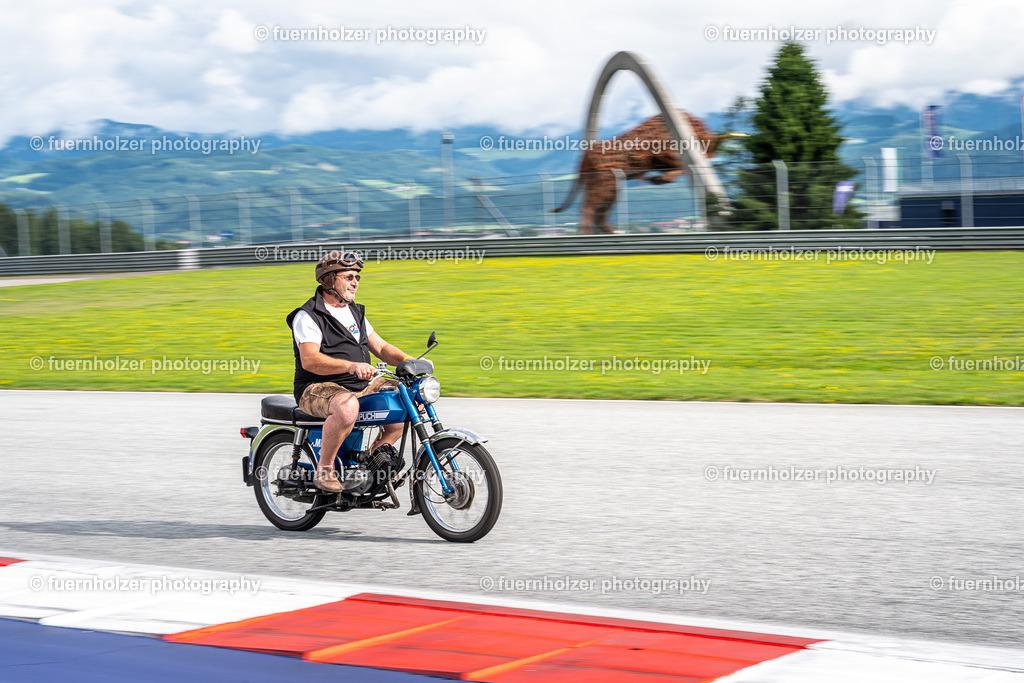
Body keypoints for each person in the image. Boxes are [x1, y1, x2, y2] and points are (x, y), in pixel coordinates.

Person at [286, 251, 423, 492]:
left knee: (410, 398)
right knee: (347, 406)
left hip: (358, 386)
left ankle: (375, 462)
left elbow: (381, 347)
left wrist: (410, 361)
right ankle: (325, 470)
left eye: (357, 277)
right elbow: (310, 360)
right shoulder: (308, 316)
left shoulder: (354, 312)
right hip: (317, 388)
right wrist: (350, 366)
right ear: (329, 280)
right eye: (349, 277)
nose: (356, 283)